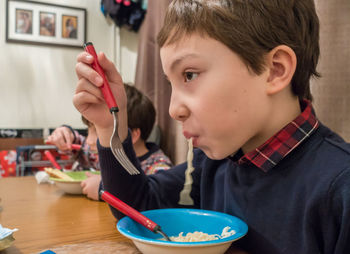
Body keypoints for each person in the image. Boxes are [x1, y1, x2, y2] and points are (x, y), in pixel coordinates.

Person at [73, 1, 350, 253]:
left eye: (189, 75)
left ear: (275, 70)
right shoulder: (211, 162)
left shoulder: (340, 188)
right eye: (171, 83)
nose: (173, 109)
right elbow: (136, 207)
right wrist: (112, 125)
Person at [48, 84, 172, 200]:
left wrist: (105, 189)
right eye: (88, 131)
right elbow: (75, 143)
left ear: (131, 135)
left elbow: (154, 198)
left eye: (98, 132)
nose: (89, 141)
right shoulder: (93, 151)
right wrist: (64, 134)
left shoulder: (157, 167)